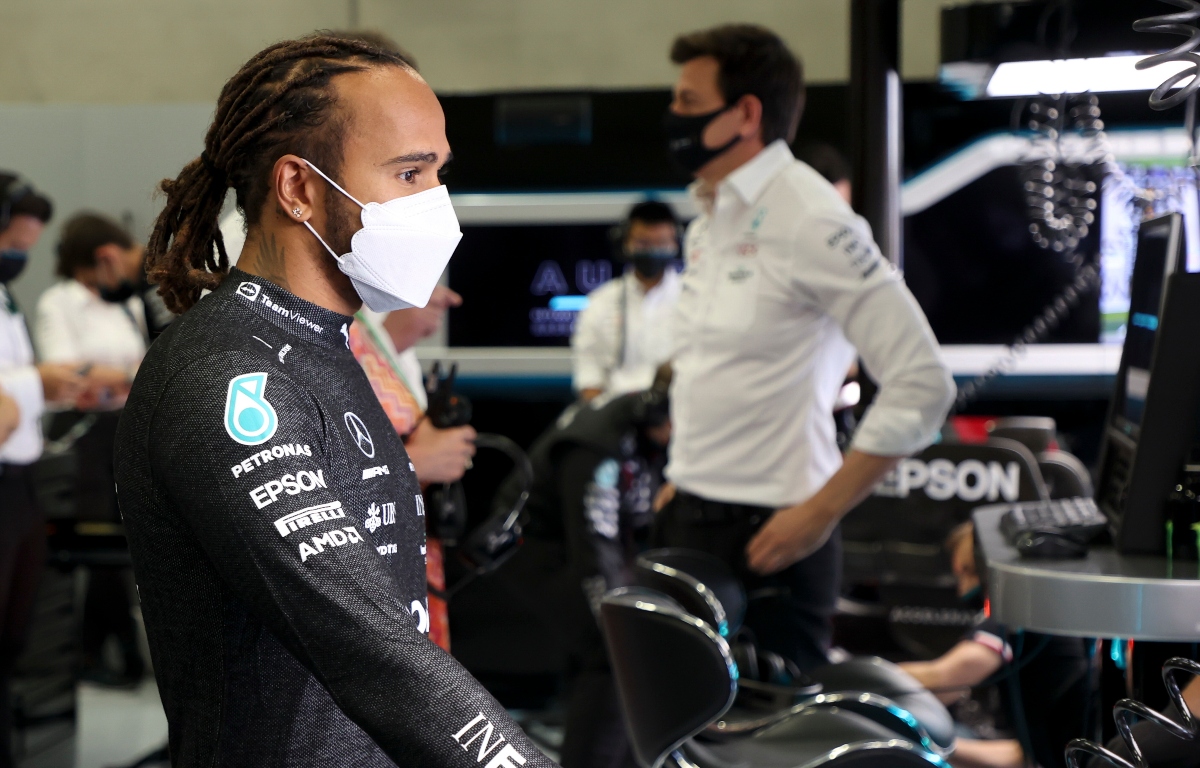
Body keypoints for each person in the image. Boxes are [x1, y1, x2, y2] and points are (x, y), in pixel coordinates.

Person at [113, 34, 557, 767]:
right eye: (409, 172)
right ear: (299, 189)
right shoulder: (225, 376)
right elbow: (370, 645)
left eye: (438, 173)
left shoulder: (324, 341)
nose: (435, 205)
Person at [655, 25, 955, 672]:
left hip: (777, 537)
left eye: (685, 99)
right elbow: (718, 364)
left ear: (746, 113)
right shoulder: (713, 211)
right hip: (692, 517)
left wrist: (819, 514)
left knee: (770, 744)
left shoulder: (810, 216)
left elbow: (924, 382)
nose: (672, 115)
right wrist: (682, 477)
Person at [501, 371, 670, 768]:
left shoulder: (642, 429)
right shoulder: (597, 448)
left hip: (579, 546)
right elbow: (593, 548)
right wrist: (616, 620)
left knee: (630, 652)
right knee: (614, 653)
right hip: (534, 549)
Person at [36, 213, 151, 687]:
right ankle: (113, 650)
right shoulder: (58, 301)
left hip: (127, 422)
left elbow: (143, 360)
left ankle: (97, 651)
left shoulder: (128, 304)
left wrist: (106, 376)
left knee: (129, 536)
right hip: (83, 430)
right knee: (100, 534)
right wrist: (122, 375)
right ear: (100, 258)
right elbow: (63, 371)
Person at [0, 174, 85, 768]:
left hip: (22, 481)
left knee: (15, 641)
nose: (18, 256)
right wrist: (37, 384)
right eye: (13, 242)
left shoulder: (7, 300)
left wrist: (55, 389)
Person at [571, 201, 682, 402]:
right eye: (643, 243)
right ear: (625, 243)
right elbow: (588, 377)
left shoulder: (695, 298)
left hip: (680, 417)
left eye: (661, 243)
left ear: (676, 244)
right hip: (616, 420)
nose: (653, 251)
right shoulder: (601, 302)